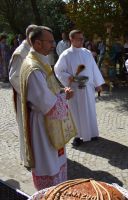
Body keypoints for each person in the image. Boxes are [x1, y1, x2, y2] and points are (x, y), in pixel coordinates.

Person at [20, 26, 76, 190]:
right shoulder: (34, 68)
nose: (53, 45)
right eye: (50, 41)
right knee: (49, 163)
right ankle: (50, 192)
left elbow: (49, 90)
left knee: (55, 160)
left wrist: (60, 91)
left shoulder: (40, 61)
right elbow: (45, 103)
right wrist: (64, 96)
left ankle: (57, 189)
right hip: (42, 123)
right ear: (37, 43)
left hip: (49, 120)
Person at [54, 30, 105, 146]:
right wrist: (69, 77)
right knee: (76, 112)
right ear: (71, 39)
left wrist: (98, 84)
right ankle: (77, 136)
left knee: (90, 110)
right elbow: (58, 70)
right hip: (75, 89)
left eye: (82, 38)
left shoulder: (87, 52)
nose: (82, 41)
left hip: (88, 87)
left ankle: (92, 133)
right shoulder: (66, 54)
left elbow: (94, 68)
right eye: (79, 39)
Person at [9, 24, 37, 165]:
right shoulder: (20, 52)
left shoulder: (33, 49)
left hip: (36, 97)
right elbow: (13, 77)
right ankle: (28, 159)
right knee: (26, 128)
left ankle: (38, 155)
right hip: (25, 98)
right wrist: (28, 94)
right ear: (28, 36)